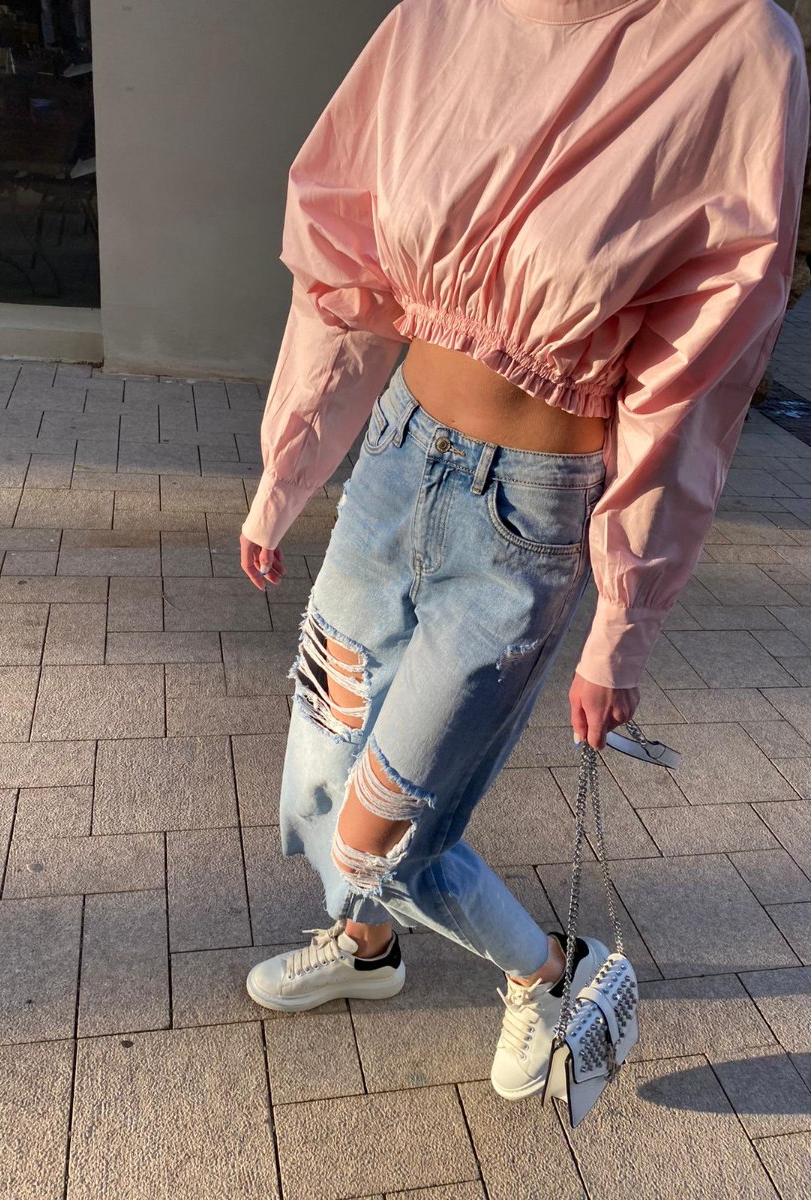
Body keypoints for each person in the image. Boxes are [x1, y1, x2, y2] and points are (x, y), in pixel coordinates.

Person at [238, 0, 809, 1101]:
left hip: (523, 524)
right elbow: (345, 254)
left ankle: (549, 973)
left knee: (376, 835)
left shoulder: (734, 44)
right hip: (394, 466)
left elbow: (698, 380)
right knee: (315, 779)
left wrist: (622, 627)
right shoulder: (442, 16)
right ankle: (367, 949)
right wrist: (289, 468)